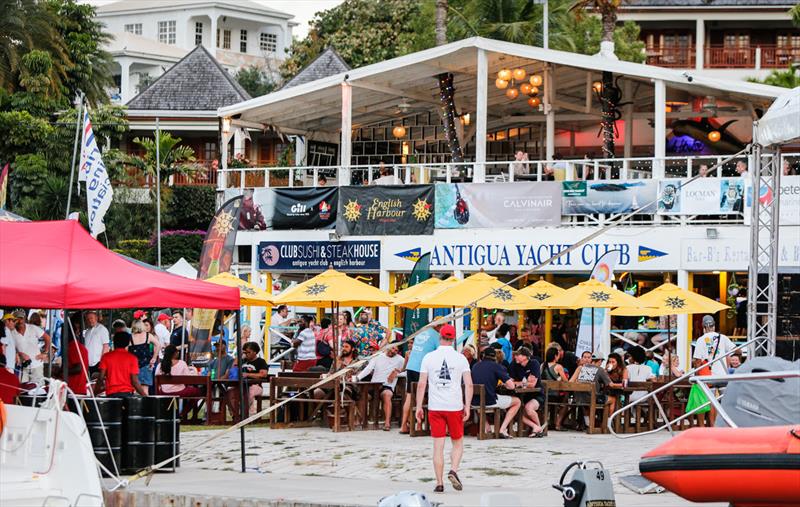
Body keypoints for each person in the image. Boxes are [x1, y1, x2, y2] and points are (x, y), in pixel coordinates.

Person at [416, 324, 472, 493]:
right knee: (457, 442)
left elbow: (421, 384)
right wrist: (467, 405)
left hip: (435, 406)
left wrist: (419, 406)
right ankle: (453, 470)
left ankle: (439, 483)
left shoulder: (428, 357)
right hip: (454, 406)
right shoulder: (461, 358)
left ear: (440, 337)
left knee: (438, 446)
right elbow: (468, 384)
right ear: (454, 339)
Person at [470, 347, 520, 439]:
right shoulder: (497, 366)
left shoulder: (475, 366)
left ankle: (487, 427)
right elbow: (512, 386)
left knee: (481, 400)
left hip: (474, 401)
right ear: (495, 357)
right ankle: (502, 429)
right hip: (490, 401)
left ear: (483, 356)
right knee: (517, 401)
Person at [401, 323, 441, 434]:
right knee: (421, 396)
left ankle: (403, 425)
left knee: (409, 396)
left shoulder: (421, 332)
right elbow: (440, 353)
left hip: (411, 366)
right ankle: (418, 425)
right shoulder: (436, 336)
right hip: (421, 368)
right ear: (439, 326)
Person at [355, 343, 405, 431]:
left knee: (387, 394)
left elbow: (407, 371)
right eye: (392, 348)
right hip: (374, 385)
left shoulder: (401, 360)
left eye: (396, 350)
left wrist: (397, 373)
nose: (393, 351)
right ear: (388, 346)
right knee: (363, 395)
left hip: (387, 386)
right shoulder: (377, 356)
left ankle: (387, 423)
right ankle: (360, 420)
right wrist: (358, 378)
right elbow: (368, 369)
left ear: (398, 352)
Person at [157, 344, 202, 418]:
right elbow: (189, 379)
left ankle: (167, 413)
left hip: (163, 391)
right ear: (174, 353)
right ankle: (183, 413)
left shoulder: (160, 365)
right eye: (177, 352)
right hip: (179, 391)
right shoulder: (181, 363)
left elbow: (156, 377)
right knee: (198, 392)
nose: (178, 353)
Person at [97, 332, 148, 397]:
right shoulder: (132, 358)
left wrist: (94, 393)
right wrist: (145, 396)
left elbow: (100, 378)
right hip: (127, 394)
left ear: (114, 342)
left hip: (111, 394)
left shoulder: (106, 357)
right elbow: (135, 382)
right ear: (128, 343)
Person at [509, 347, 545, 437]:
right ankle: (537, 428)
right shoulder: (514, 364)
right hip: (521, 395)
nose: (515, 356)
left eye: (518, 355)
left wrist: (519, 383)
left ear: (525, 357)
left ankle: (538, 429)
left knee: (528, 408)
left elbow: (533, 384)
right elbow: (511, 381)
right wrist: (523, 383)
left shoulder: (534, 363)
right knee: (514, 412)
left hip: (536, 394)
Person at [227, 342, 269, 419]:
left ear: (255, 352)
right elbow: (233, 367)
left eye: (248, 352)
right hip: (240, 385)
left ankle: (246, 414)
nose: (246, 354)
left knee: (249, 393)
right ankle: (236, 414)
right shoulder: (243, 360)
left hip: (255, 386)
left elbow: (263, 374)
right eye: (245, 352)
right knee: (229, 393)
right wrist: (240, 356)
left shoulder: (261, 361)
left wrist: (248, 375)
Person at [10, 310, 51, 384]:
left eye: (21, 318)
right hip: (23, 367)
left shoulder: (33, 328)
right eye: (17, 319)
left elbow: (48, 338)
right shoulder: (12, 333)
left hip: (36, 364)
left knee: (38, 390)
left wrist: (45, 353)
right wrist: (19, 353)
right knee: (23, 391)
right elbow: (10, 348)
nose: (20, 321)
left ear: (25, 318)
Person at [129, 319, 160, 391]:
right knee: (145, 389)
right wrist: (154, 358)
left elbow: (126, 351)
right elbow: (158, 345)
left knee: (134, 389)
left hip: (133, 366)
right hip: (146, 365)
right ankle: (145, 402)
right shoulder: (148, 335)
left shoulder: (130, 337)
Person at [65, 324, 90, 395]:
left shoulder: (73, 347)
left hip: (73, 389)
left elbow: (78, 368)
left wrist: (61, 372)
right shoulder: (80, 347)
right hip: (79, 388)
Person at [84, 311, 110, 375]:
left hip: (98, 362)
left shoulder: (102, 329)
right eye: (88, 319)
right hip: (87, 363)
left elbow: (106, 347)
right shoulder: (87, 331)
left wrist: (102, 362)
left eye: (91, 318)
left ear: (96, 318)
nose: (90, 320)